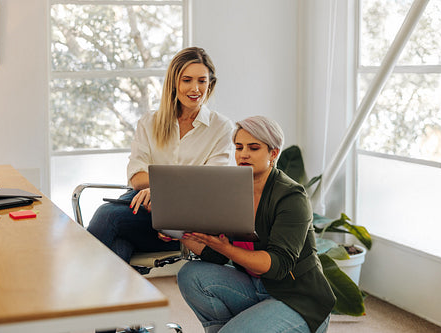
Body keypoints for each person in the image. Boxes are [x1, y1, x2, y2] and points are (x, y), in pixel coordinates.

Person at [175, 116, 336, 333]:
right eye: (239, 147)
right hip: (257, 288)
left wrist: (226, 248)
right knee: (190, 275)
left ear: (273, 153)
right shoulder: (233, 191)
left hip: (298, 299)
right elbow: (217, 256)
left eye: (253, 148)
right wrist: (177, 232)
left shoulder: (291, 196)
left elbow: (278, 265)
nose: (243, 154)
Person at [86, 47, 235, 264]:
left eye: (202, 81)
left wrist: (159, 189)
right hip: (142, 209)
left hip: (185, 218)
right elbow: (137, 178)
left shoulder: (221, 127)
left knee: (107, 217)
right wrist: (167, 187)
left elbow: (209, 184)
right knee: (118, 246)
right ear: (174, 82)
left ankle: (78, 291)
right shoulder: (150, 122)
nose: (195, 88)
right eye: (187, 80)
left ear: (210, 83)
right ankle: (102, 296)